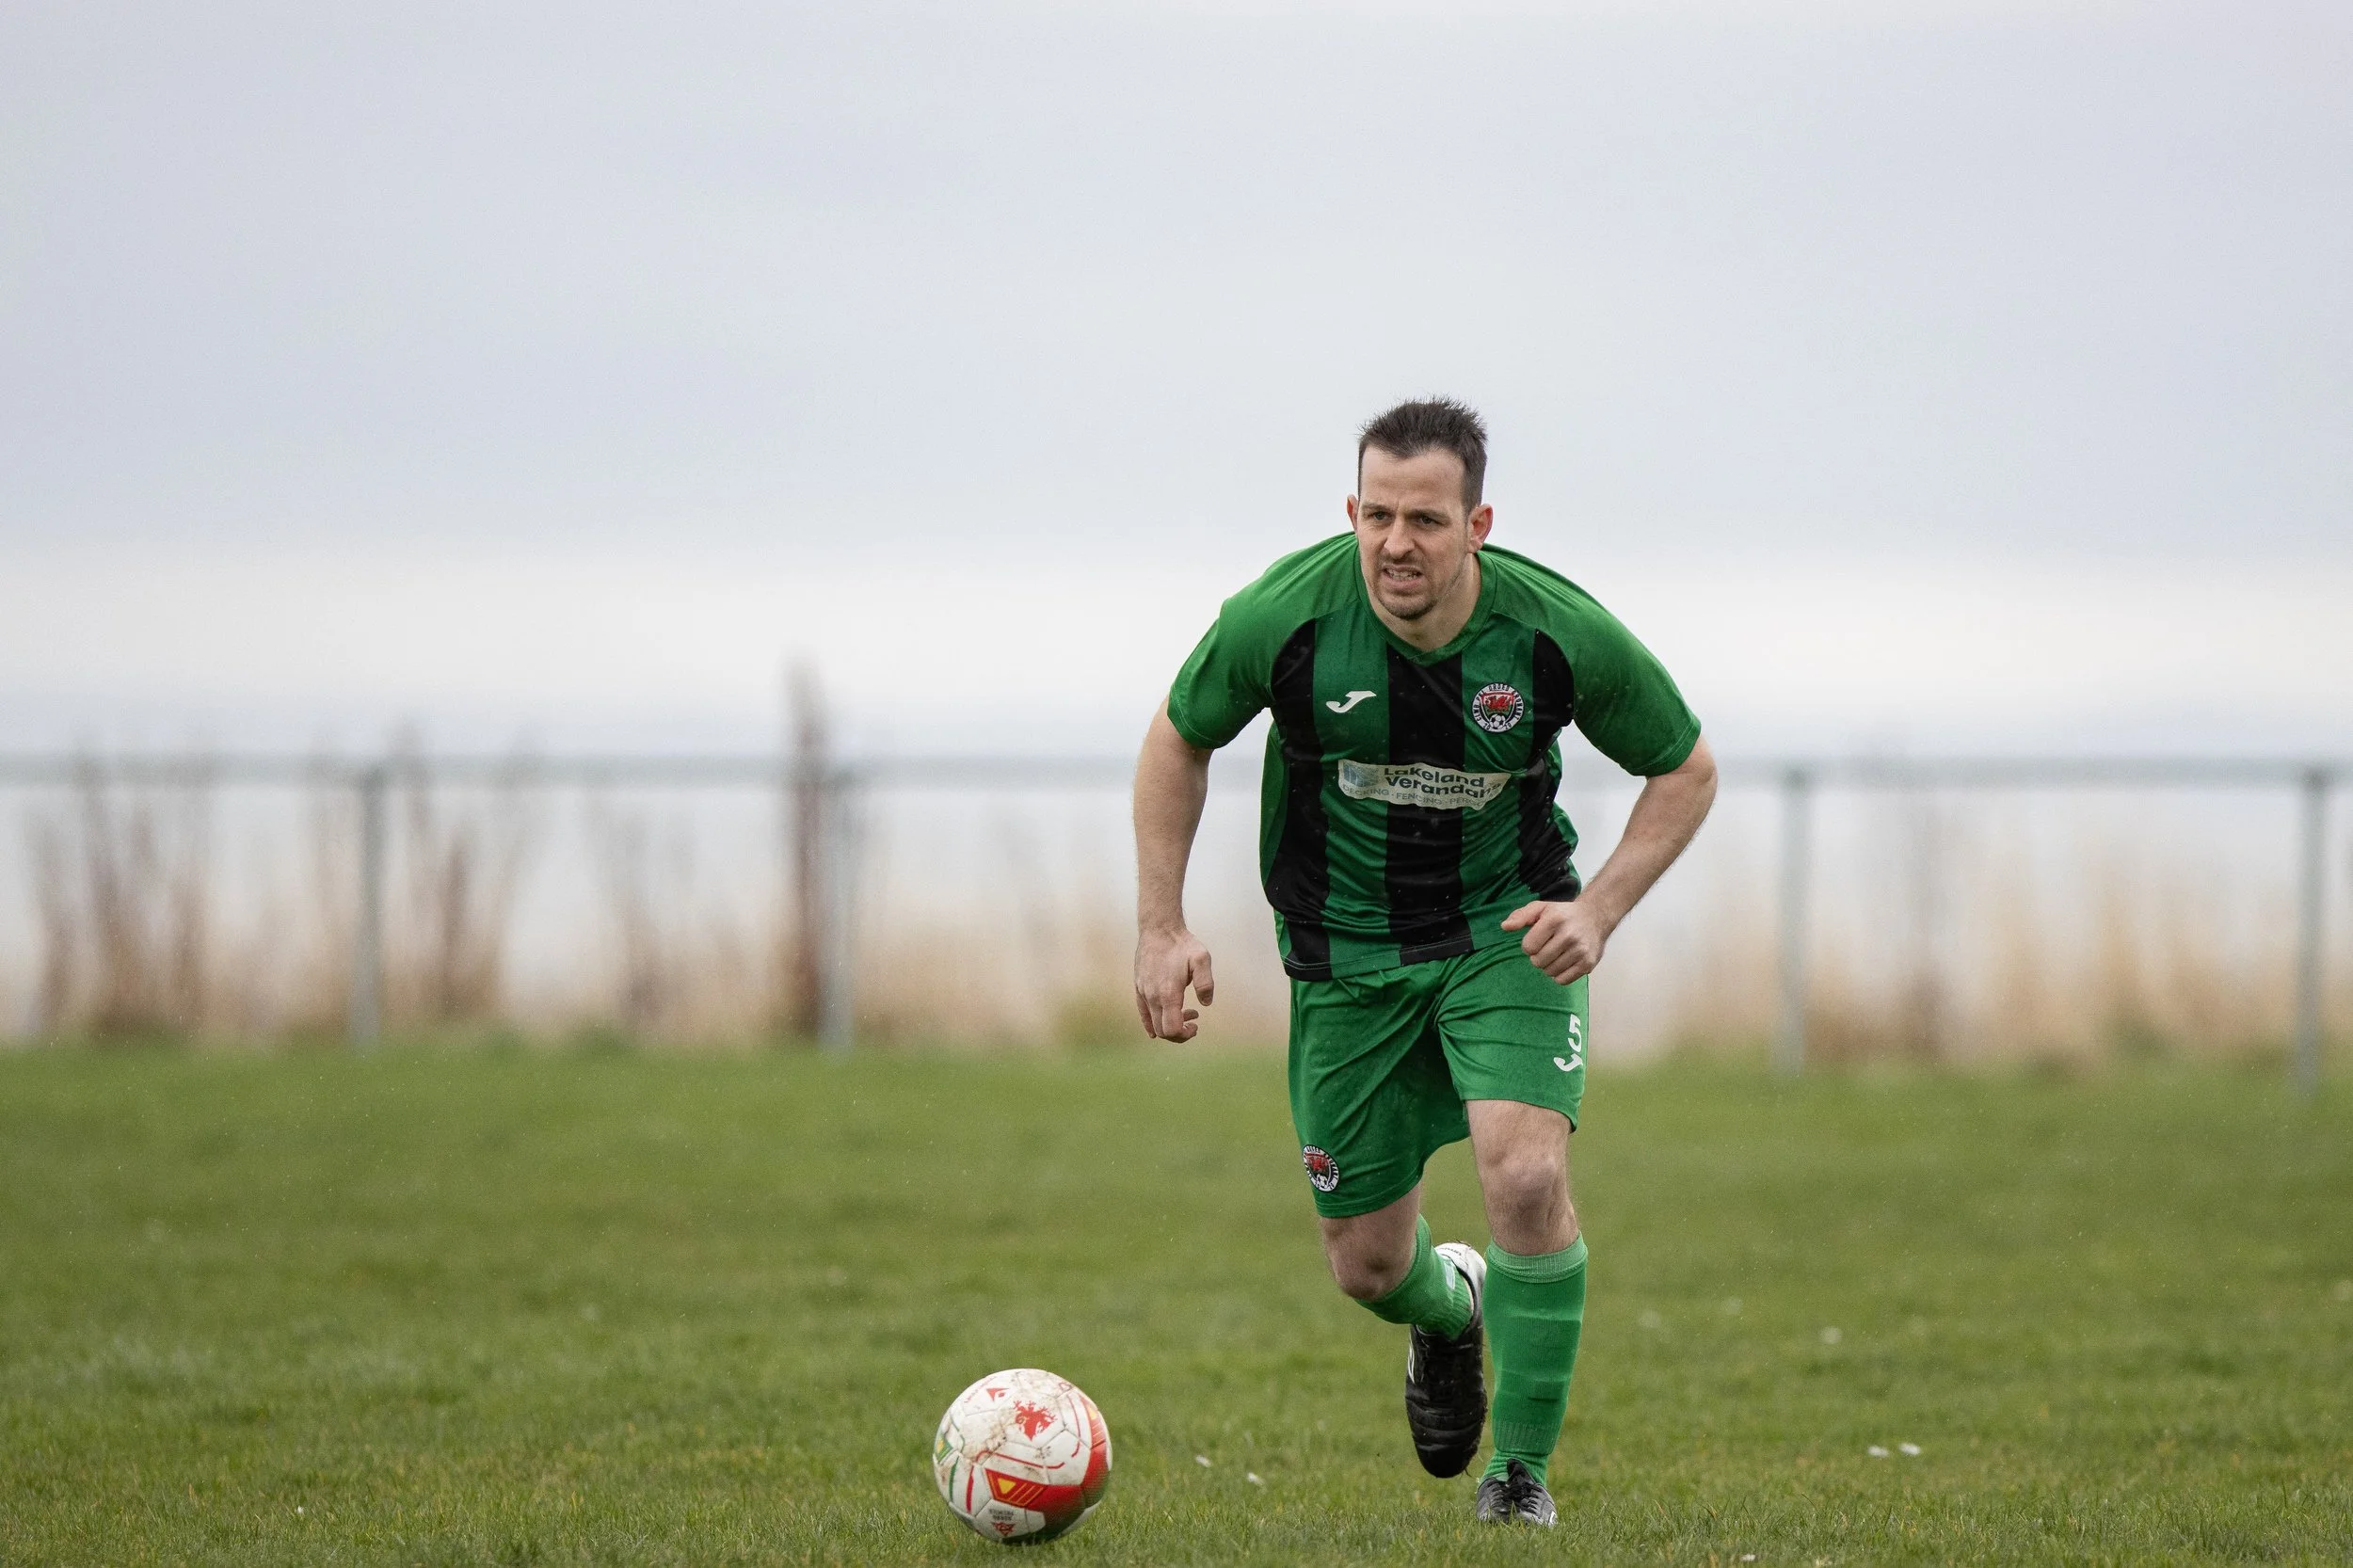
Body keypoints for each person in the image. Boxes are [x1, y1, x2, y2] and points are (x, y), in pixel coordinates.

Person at [1130, 397, 1717, 1526]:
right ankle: (1450, 1314)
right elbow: (1177, 735)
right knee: (1363, 1263)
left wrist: (1596, 910)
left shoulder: (1552, 632)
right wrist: (1161, 924)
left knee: (1526, 1173)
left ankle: (1521, 1476)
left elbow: (1684, 769)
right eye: (1378, 515)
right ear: (1351, 511)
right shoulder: (1285, 615)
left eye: (1428, 520)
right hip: (1345, 961)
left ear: (1478, 524)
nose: (1398, 543)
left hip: (1508, 931)